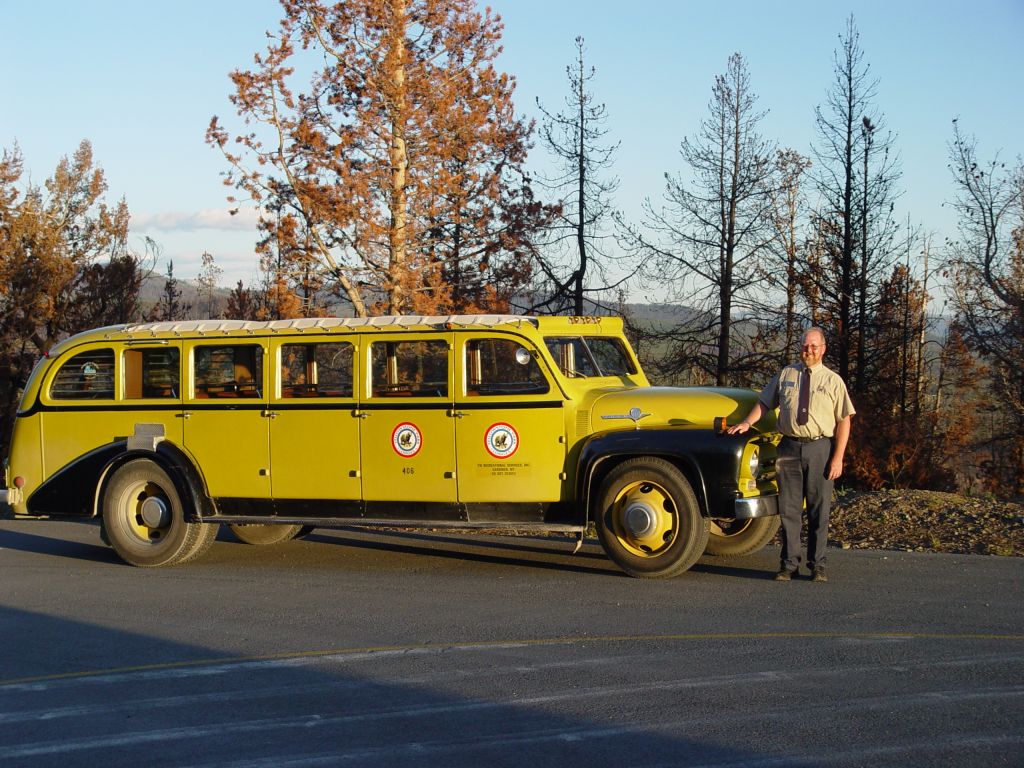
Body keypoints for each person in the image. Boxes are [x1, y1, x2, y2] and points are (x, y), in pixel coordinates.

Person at [727, 328, 855, 582]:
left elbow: (844, 420)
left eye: (814, 346)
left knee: (819, 510)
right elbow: (765, 403)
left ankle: (817, 566)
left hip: (820, 449)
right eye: (805, 346)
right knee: (789, 510)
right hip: (788, 448)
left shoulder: (833, 381)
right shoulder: (786, 374)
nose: (809, 350)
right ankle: (789, 565)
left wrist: (838, 457)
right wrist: (746, 423)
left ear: (823, 348)